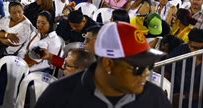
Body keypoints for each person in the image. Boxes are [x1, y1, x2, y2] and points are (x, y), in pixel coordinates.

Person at [36, 22, 168, 108]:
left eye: (149, 65)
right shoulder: (60, 95)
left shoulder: (155, 97)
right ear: (108, 64)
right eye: (138, 68)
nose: (146, 73)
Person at [166, 29, 203, 107]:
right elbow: (166, 70)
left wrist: (184, 96)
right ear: (189, 44)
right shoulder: (181, 50)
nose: (199, 52)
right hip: (178, 94)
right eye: (194, 48)